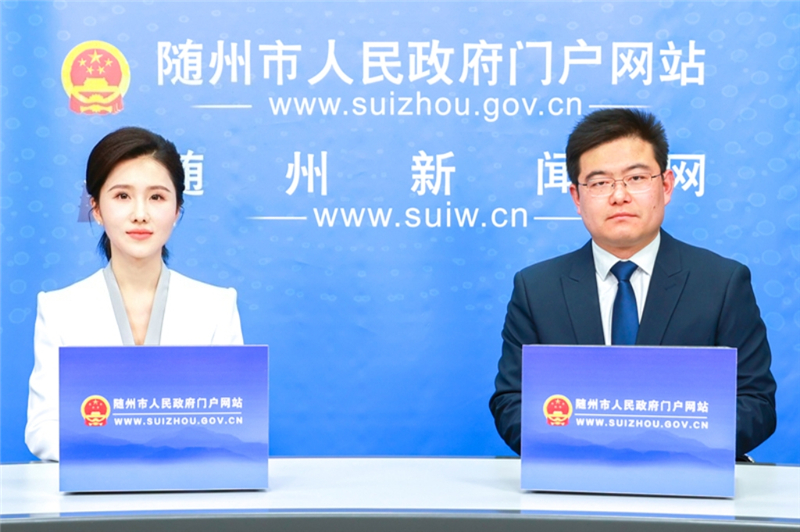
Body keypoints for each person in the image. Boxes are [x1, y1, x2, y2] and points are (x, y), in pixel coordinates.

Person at [489, 109, 777, 461]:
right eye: (600, 183)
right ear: (576, 197)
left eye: (636, 178)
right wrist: (589, 453)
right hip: (574, 479)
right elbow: (511, 401)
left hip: (687, 480)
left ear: (666, 185)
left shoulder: (722, 283)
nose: (619, 195)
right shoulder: (537, 289)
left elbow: (755, 403)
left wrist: (662, 452)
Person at [25, 127, 243, 461]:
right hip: (95, 489)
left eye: (156, 197)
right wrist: (135, 449)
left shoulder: (216, 307)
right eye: (122, 196)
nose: (140, 214)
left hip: (190, 489)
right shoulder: (59, 310)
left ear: (177, 210)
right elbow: (42, 429)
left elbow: (235, 422)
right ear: (96, 208)